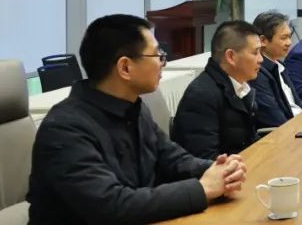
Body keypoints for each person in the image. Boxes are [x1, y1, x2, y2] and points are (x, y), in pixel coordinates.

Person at [27, 14, 246, 224]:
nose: (163, 63)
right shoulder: (64, 129)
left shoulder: (134, 108)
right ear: (125, 67)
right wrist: (203, 189)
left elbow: (172, 159)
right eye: (157, 55)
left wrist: (219, 170)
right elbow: (112, 206)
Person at [172, 20, 263, 159]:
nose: (261, 59)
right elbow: (204, 158)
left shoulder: (241, 87)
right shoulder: (202, 95)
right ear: (231, 56)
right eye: (255, 52)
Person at [251, 10, 302, 128]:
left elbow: (298, 103)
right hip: (288, 131)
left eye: (290, 37)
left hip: (300, 122)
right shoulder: (257, 73)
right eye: (284, 38)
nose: (289, 43)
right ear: (263, 41)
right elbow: (276, 119)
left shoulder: (280, 66)